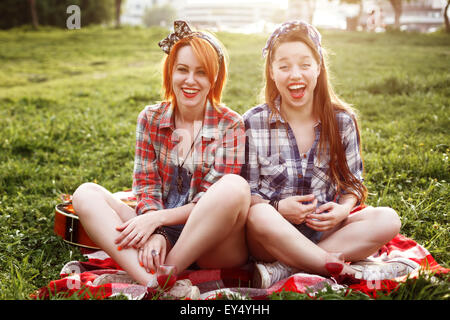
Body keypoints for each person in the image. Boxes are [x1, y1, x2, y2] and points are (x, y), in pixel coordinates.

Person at [72, 21, 250, 293]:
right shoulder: (151, 118)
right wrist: (154, 230)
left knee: (235, 187)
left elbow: (209, 200)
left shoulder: (231, 125)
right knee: (86, 193)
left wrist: (158, 225)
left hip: (209, 243)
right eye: (182, 70)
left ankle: (164, 273)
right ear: (171, 72)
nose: (190, 80)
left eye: (201, 73)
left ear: (215, 78)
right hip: (158, 230)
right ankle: (157, 285)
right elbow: (146, 186)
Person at [241, 20, 418, 288]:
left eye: (304, 64)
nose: (295, 74)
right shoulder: (253, 122)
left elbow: (353, 184)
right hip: (271, 237)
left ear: (319, 67)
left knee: (388, 219)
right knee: (258, 215)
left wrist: (342, 209)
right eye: (284, 66)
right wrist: (278, 208)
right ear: (272, 72)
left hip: (324, 232)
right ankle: (343, 269)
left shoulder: (342, 121)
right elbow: (247, 195)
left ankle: (287, 269)